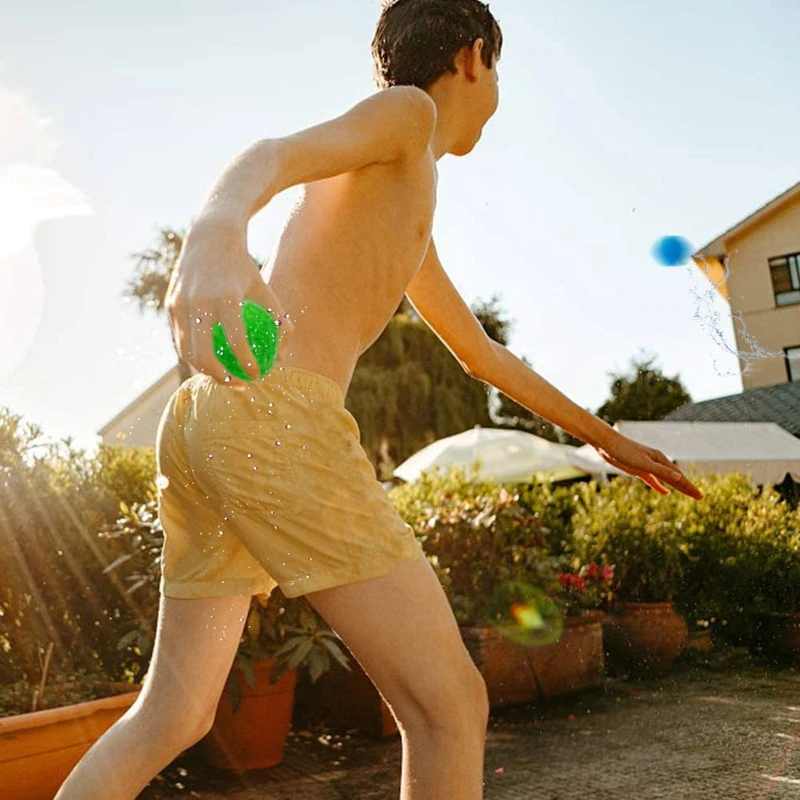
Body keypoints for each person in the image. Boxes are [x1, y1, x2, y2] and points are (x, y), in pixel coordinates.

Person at [56, 2, 703, 798]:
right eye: (498, 70)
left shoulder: (405, 195)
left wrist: (610, 440)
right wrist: (217, 228)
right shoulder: (409, 114)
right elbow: (270, 154)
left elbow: (482, 356)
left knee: (174, 714)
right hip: (278, 421)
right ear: (473, 57)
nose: (497, 93)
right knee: (449, 706)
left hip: (212, 420)